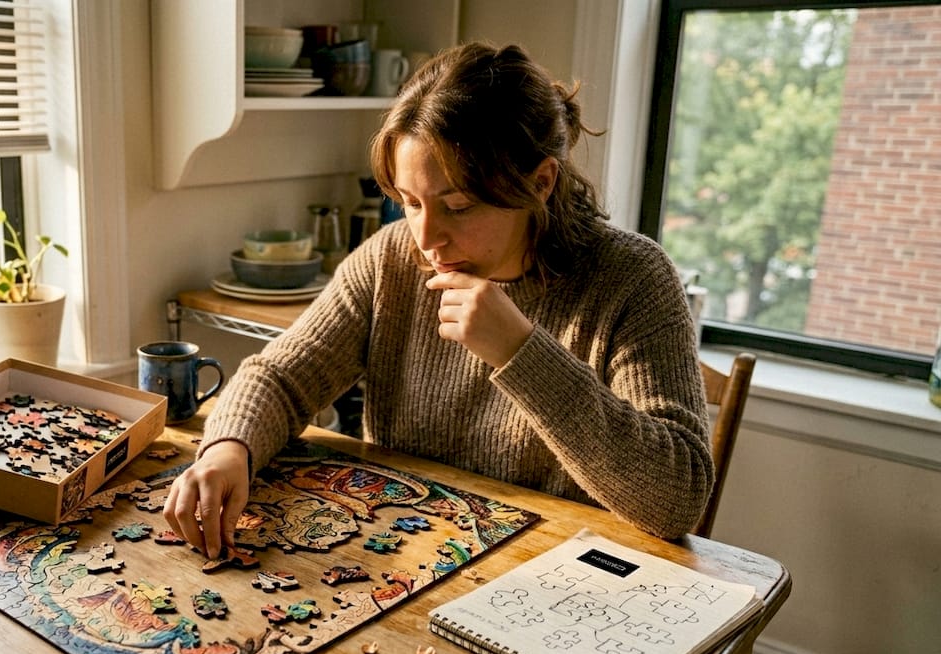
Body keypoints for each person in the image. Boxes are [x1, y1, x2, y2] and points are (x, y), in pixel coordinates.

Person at [163, 42, 712, 556]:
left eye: (458, 205)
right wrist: (228, 448)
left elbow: (676, 500)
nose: (426, 239)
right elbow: (281, 377)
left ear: (541, 182)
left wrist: (522, 352)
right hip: (401, 557)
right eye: (410, 202)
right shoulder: (391, 259)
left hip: (553, 585)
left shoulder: (633, 277)